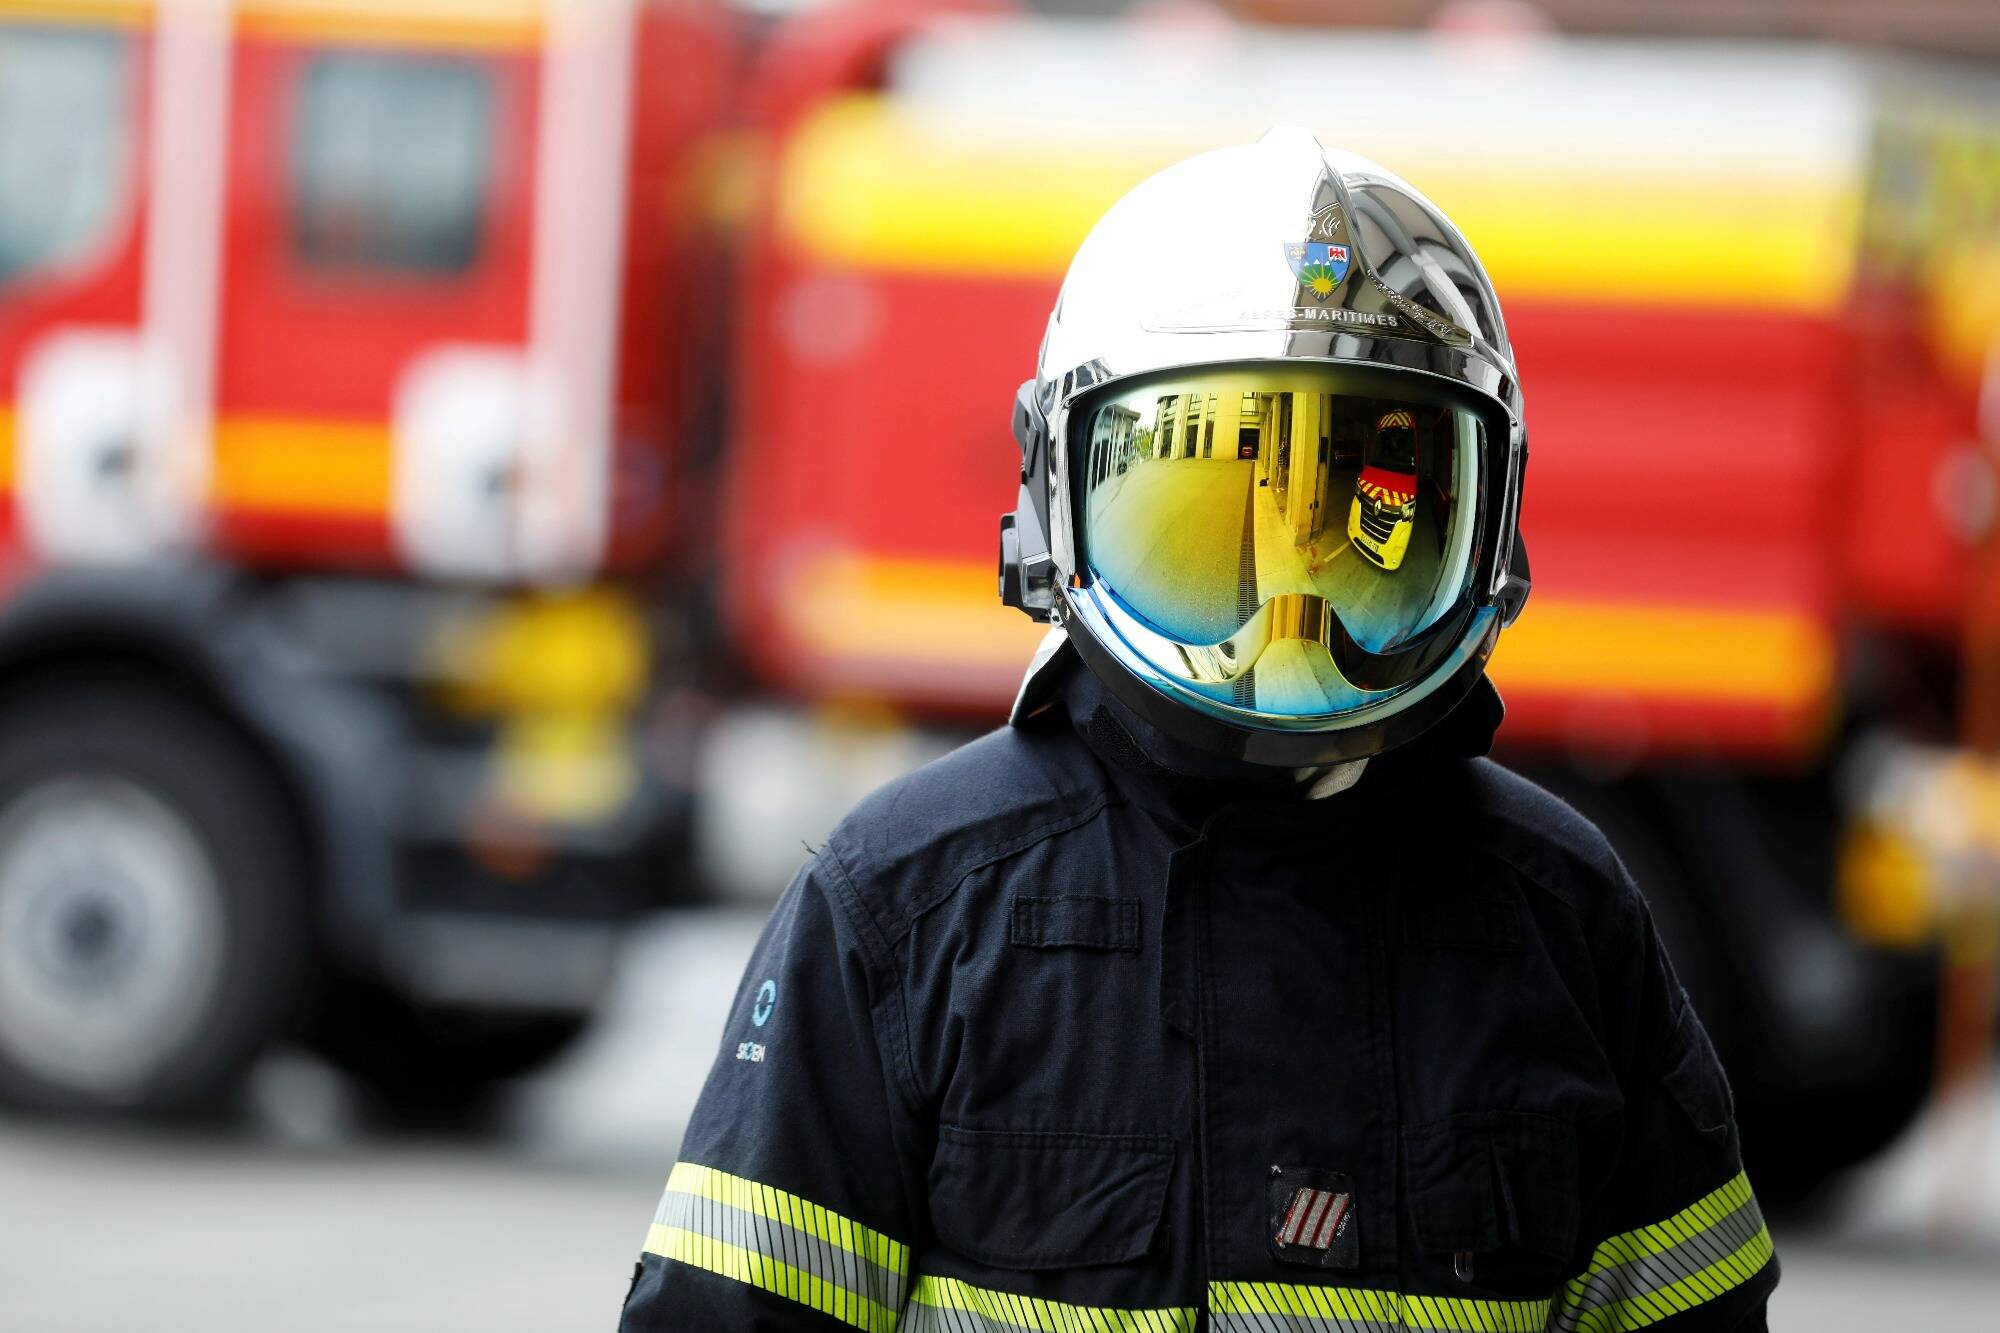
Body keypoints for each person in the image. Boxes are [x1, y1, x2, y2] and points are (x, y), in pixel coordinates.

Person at [618, 128, 1776, 1333]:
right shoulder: (910, 904)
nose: (1288, 631)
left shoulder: (1560, 920)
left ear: (1485, 524)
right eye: (1203, 504)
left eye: (1355, 530)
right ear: (1053, 493)